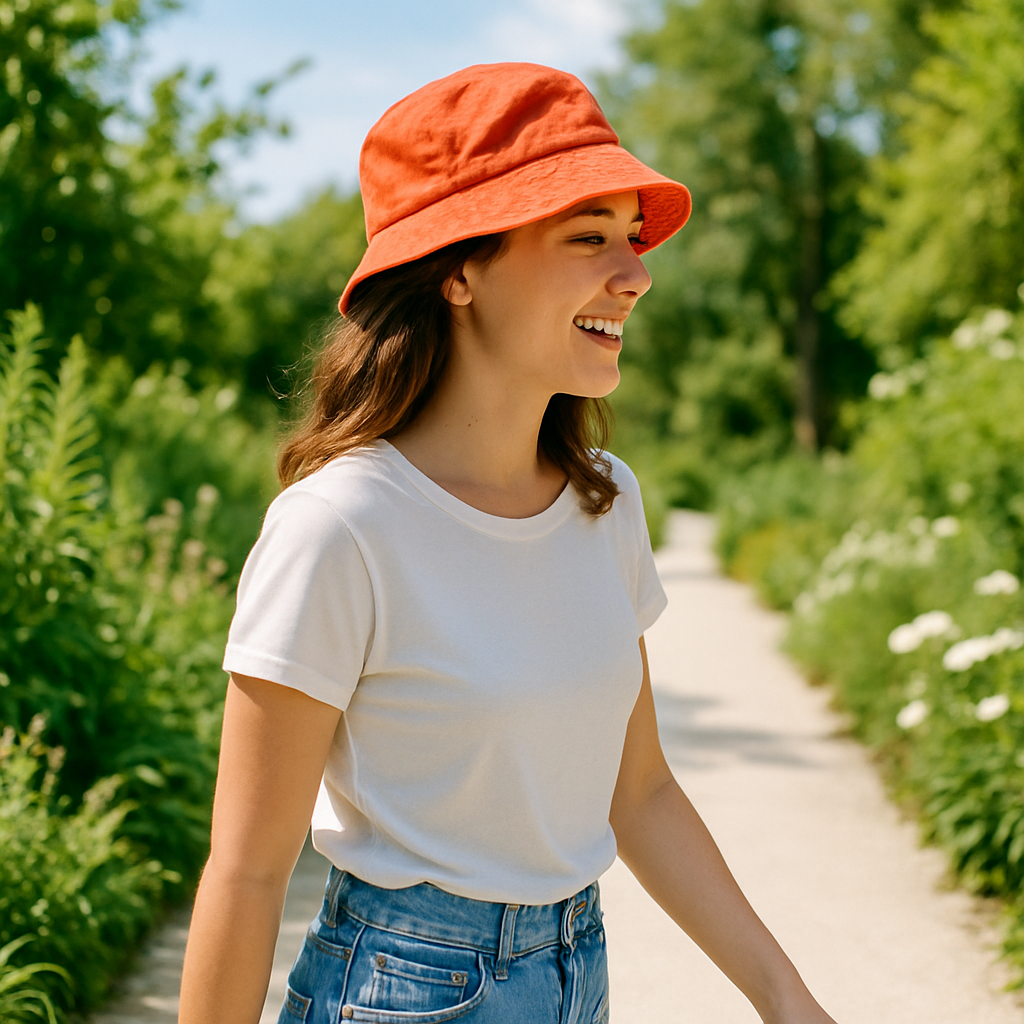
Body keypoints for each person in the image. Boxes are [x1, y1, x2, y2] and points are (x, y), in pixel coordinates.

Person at [178, 62, 839, 1024]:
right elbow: (244, 872)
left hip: (577, 973)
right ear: (457, 270)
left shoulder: (605, 503)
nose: (637, 274)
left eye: (632, 239)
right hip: (403, 991)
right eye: (587, 238)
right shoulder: (341, 527)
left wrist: (787, 1000)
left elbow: (642, 792)